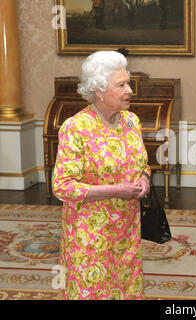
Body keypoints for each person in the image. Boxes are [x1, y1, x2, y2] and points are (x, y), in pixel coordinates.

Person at [52, 50, 151, 300]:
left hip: (127, 231)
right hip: (90, 237)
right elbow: (62, 187)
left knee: (125, 291)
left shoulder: (131, 122)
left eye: (128, 83)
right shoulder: (76, 128)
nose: (130, 90)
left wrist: (144, 178)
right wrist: (116, 191)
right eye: (122, 85)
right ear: (98, 91)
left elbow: (142, 164)